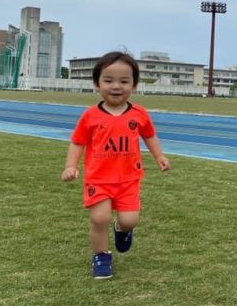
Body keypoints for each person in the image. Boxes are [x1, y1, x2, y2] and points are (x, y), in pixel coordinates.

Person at [61, 51, 171, 279]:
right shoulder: (90, 116)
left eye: (124, 81)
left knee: (129, 220)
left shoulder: (139, 114)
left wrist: (159, 156)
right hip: (98, 179)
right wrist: (70, 166)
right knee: (99, 218)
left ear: (134, 84)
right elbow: (77, 142)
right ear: (96, 84)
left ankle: (122, 230)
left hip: (129, 179)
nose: (116, 86)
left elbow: (149, 136)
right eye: (108, 80)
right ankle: (101, 256)